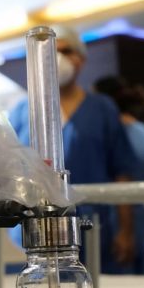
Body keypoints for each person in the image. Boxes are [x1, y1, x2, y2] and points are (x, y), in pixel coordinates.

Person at [8, 27, 135, 274]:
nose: (56, 57)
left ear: (81, 59)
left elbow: (122, 170)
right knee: (39, 285)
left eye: (66, 51)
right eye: (49, 51)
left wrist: (126, 229)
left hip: (93, 226)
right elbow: (10, 169)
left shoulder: (102, 109)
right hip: (35, 228)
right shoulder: (23, 111)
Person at [97, 76, 144, 275]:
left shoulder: (119, 133)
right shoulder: (143, 130)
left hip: (122, 220)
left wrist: (125, 230)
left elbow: (122, 177)